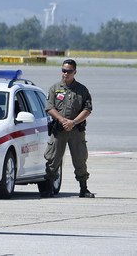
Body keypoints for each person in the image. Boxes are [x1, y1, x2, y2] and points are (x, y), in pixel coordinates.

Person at [44, 58, 94, 198]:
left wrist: (74, 122)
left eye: (69, 71)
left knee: (80, 159)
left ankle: (83, 188)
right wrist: (62, 120)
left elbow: (87, 109)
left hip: (76, 131)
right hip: (59, 130)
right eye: (64, 70)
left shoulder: (82, 90)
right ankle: (49, 188)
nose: (65, 73)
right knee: (53, 159)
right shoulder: (55, 88)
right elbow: (49, 107)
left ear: (75, 72)